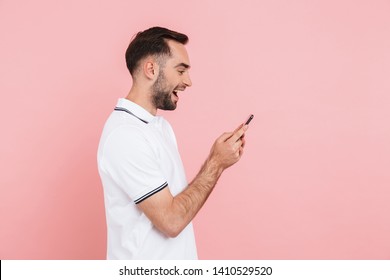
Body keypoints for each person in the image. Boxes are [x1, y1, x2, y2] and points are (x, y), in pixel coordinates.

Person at [97, 26, 248, 259]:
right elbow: (172, 221)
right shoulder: (125, 135)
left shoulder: (159, 127)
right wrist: (216, 163)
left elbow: (177, 206)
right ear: (151, 69)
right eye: (180, 70)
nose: (188, 81)